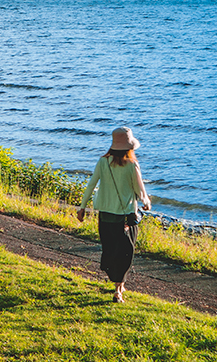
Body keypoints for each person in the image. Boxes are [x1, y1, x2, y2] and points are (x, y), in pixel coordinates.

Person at [76, 126, 151, 302]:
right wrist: (147, 203)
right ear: (129, 147)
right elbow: (140, 190)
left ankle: (118, 282)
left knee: (110, 249)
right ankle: (119, 289)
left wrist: (82, 207)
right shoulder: (132, 164)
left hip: (105, 215)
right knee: (125, 252)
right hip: (125, 217)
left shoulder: (103, 162)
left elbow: (91, 184)